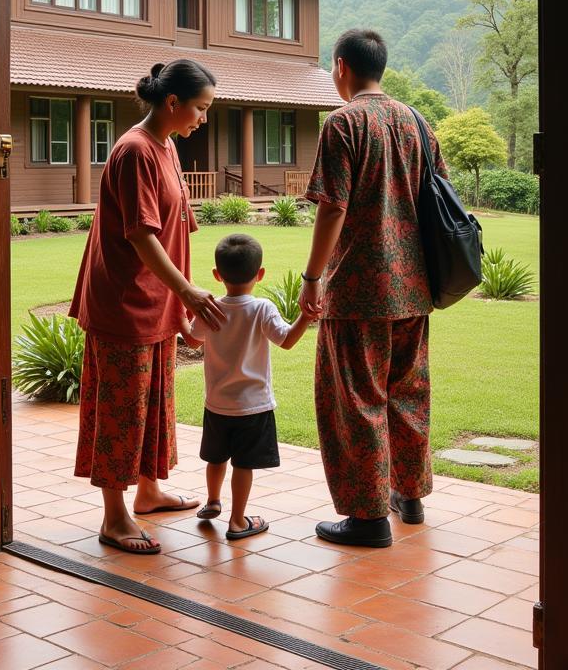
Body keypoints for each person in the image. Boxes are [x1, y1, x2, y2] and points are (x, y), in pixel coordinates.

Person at [71, 59, 227, 556]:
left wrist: (178, 296)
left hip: (155, 298)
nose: (203, 119)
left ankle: (148, 491)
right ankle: (114, 518)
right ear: (173, 102)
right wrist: (187, 291)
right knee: (120, 408)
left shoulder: (166, 147)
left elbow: (176, 226)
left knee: (153, 400)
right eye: (200, 109)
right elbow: (141, 234)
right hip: (124, 300)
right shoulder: (135, 150)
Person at [299, 29, 447, 548]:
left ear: (340, 66)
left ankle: (367, 518)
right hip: (413, 288)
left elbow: (332, 205)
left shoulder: (344, 123)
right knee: (407, 394)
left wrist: (313, 277)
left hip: (360, 290)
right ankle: (409, 497)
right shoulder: (417, 122)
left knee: (357, 400)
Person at [183, 233, 310, 540]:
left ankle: (213, 500)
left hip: (216, 403)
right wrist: (307, 316)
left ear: (217, 275)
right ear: (260, 274)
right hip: (253, 405)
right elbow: (287, 340)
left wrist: (178, 318)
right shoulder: (262, 308)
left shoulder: (210, 308)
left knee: (216, 457)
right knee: (243, 465)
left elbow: (191, 340)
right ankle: (237, 520)